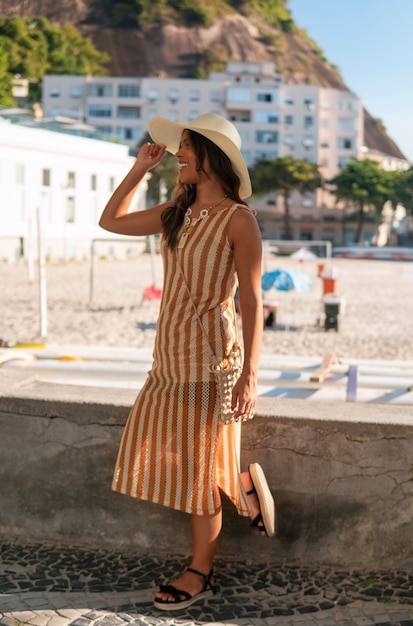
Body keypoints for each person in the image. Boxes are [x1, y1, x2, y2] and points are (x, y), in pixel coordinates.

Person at [99, 113, 275, 611]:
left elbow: (253, 301)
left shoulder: (239, 220)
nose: (178, 154)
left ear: (213, 156)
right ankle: (240, 488)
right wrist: (138, 169)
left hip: (210, 361)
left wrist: (249, 376)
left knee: (197, 472)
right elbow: (110, 221)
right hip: (168, 356)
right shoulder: (180, 209)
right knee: (164, 448)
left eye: (187, 147)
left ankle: (200, 569)